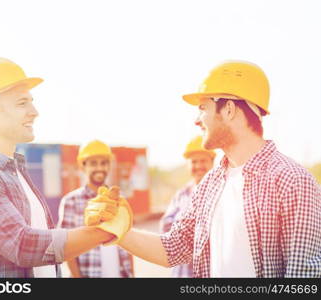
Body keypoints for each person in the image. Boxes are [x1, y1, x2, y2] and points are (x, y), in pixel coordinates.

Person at [86, 61, 321, 277]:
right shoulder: (211, 184)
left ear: (228, 109)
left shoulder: (292, 181)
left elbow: (304, 278)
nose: (197, 120)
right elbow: (173, 248)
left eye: (202, 108)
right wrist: (120, 231)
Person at [0, 58, 126, 277]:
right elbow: (22, 246)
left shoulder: (15, 171)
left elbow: (46, 248)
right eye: (22, 103)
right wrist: (105, 230)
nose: (34, 111)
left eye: (31, 101)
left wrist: (90, 227)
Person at [58, 140, 134, 278]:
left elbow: (128, 242)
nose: (99, 168)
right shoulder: (71, 201)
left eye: (103, 163)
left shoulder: (120, 200)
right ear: (83, 166)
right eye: (93, 163)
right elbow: (66, 246)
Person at [159, 135, 215, 277]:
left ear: (212, 162)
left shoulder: (221, 191)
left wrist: (184, 229)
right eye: (194, 162)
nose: (198, 166)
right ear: (187, 165)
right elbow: (165, 227)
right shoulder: (181, 194)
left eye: (203, 161)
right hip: (183, 273)